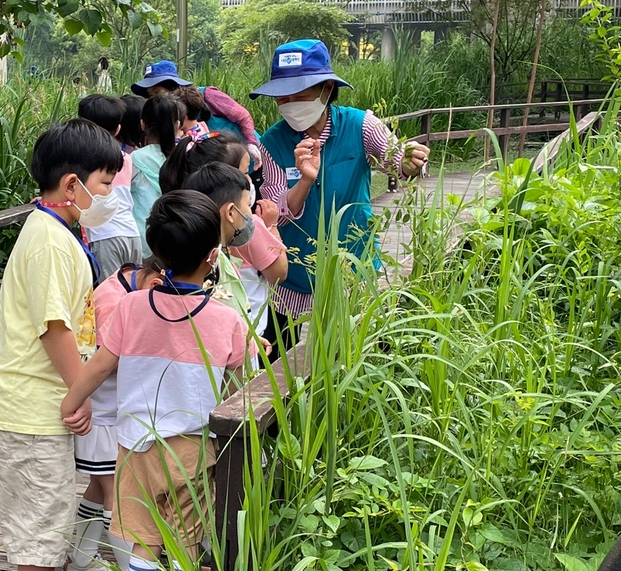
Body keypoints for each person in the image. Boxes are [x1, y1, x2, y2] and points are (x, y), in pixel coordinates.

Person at [61, 191, 255, 571]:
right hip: (192, 449)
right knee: (188, 549)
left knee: (143, 541)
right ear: (213, 256)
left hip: (135, 447)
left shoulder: (130, 308)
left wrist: (72, 401)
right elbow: (245, 372)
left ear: (157, 254)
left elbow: (102, 365)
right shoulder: (225, 318)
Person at [0, 119, 121, 571]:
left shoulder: (54, 230)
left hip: (34, 400)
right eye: (104, 185)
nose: (109, 196)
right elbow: (54, 328)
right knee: (39, 505)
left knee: (53, 497)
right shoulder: (51, 243)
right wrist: (77, 392)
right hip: (28, 403)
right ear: (72, 186)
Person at [252, 39, 430, 351]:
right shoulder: (272, 143)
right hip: (293, 271)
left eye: (301, 95)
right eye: (283, 98)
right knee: (281, 354)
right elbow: (277, 211)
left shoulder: (361, 126)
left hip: (353, 262)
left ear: (327, 89)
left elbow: (398, 164)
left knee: (355, 348)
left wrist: (410, 163)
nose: (290, 103)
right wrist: (306, 179)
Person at [66, 256, 164, 571]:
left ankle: (79, 560)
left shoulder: (124, 283)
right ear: (156, 283)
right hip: (101, 413)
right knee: (120, 496)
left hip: (108, 411)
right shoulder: (114, 300)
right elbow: (101, 362)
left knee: (99, 486)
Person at [184, 163, 288, 345]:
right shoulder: (216, 263)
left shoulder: (199, 253)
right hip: (233, 355)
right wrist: (271, 226)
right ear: (231, 212)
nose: (250, 213)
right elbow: (280, 272)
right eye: (248, 205)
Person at [131, 60, 262, 169]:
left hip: (252, 157)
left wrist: (251, 143)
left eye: (157, 91)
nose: (154, 98)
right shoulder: (167, 114)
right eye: (150, 95)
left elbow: (243, 115)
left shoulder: (206, 95)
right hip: (223, 164)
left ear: (172, 86)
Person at [78, 95, 142, 282]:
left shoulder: (85, 162)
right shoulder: (126, 159)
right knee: (131, 293)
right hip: (132, 233)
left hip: (105, 236)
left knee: (109, 294)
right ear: (117, 130)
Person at [130, 95, 184, 256]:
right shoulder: (182, 157)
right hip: (177, 238)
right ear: (178, 125)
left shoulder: (134, 159)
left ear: (142, 124)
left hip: (143, 239)